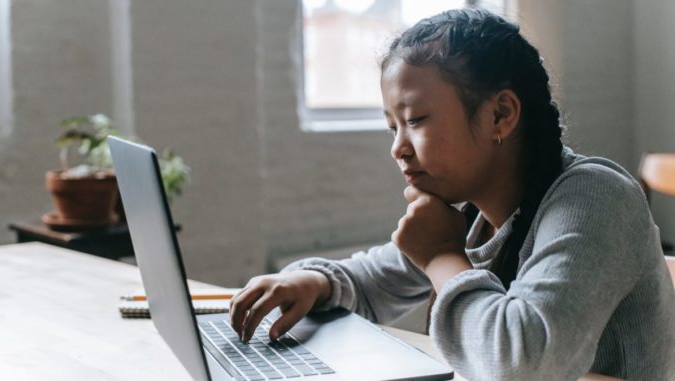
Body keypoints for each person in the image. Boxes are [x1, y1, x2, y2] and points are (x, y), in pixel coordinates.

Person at [230, 8, 675, 380]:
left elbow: (522, 363)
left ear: (500, 114)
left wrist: (443, 257)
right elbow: (371, 283)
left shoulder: (595, 198)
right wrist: (313, 281)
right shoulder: (478, 212)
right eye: (392, 126)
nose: (398, 147)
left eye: (417, 119)